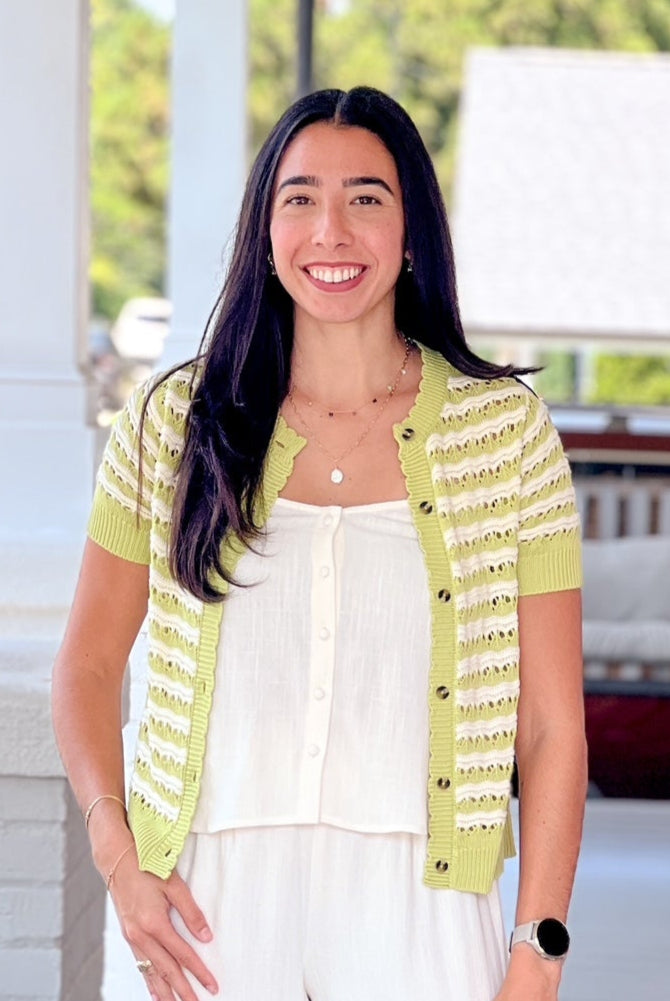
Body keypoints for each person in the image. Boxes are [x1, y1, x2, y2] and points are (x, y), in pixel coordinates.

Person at [52, 86, 586, 1001]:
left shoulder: (508, 437)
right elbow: (90, 666)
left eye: (366, 198)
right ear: (266, 227)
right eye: (298, 198)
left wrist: (538, 949)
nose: (329, 230)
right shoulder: (170, 422)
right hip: (202, 901)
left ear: (412, 228)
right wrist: (118, 856)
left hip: (425, 903)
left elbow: (549, 727)